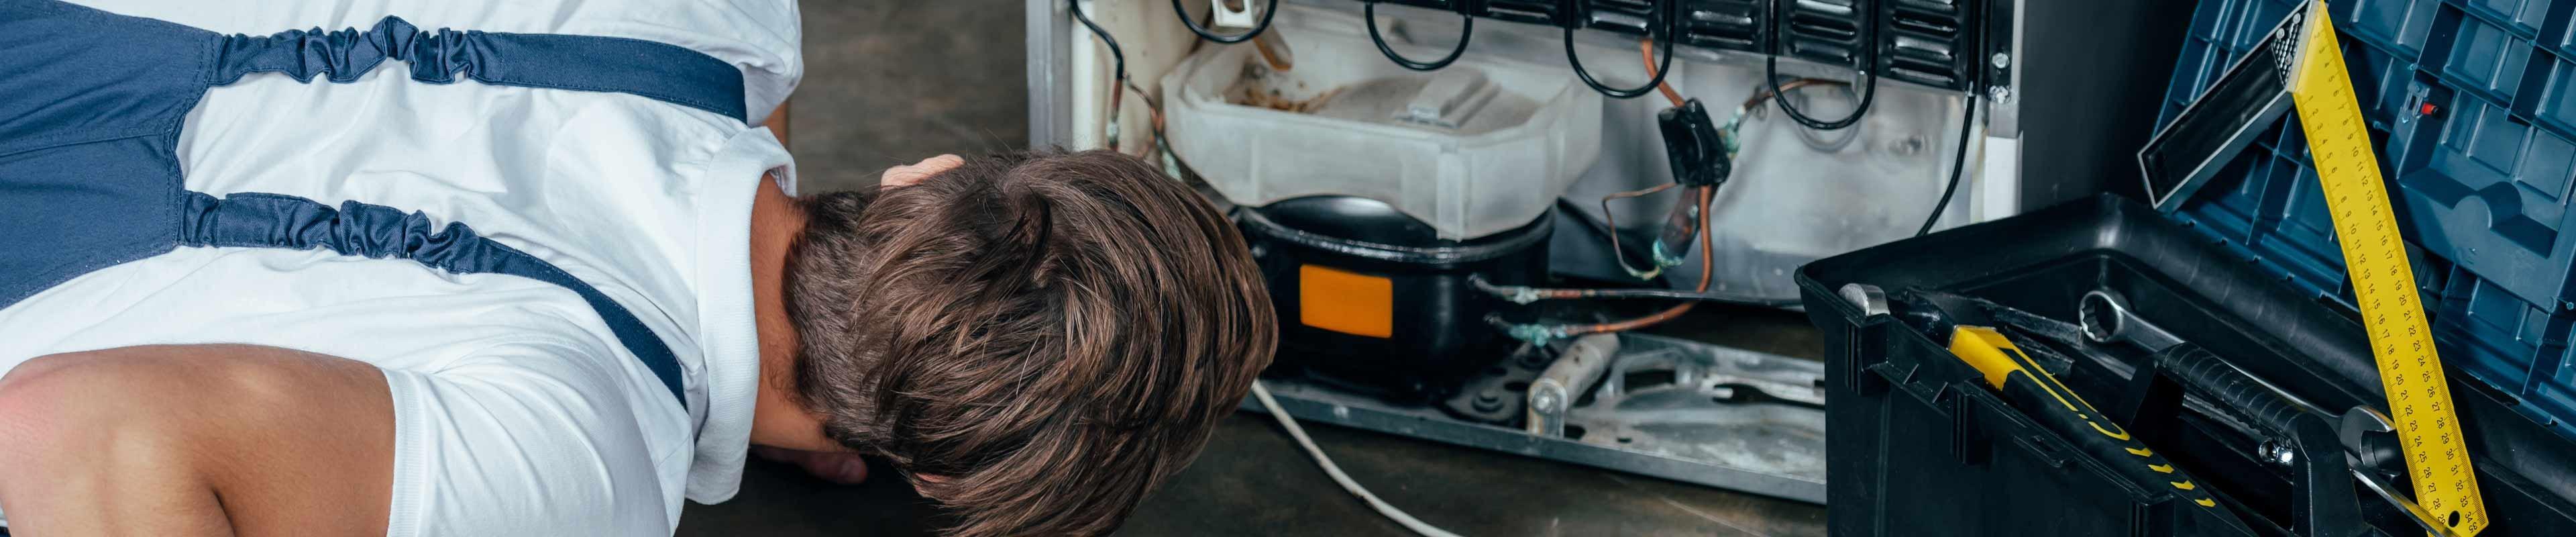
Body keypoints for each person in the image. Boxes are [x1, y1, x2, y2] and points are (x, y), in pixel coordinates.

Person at [0, 1, 1277, 536]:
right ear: (940, 474)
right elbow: (70, 436)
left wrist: (828, 308)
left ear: (922, 178)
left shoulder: (705, 20)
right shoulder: (579, 453)